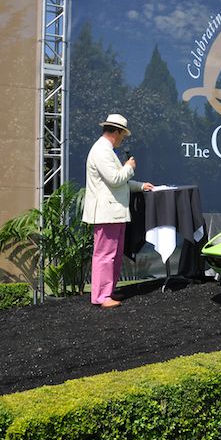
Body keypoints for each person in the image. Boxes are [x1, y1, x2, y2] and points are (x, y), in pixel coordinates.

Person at [82, 114, 154, 308]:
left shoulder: (106, 150)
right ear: (116, 132)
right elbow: (115, 179)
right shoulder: (102, 151)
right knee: (105, 255)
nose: (123, 138)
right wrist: (129, 167)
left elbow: (118, 182)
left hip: (113, 212)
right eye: (123, 134)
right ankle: (102, 296)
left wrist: (140, 186)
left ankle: (107, 292)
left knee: (112, 254)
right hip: (107, 213)